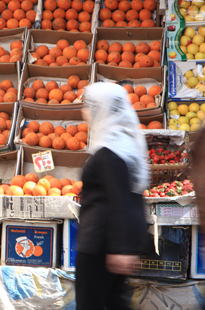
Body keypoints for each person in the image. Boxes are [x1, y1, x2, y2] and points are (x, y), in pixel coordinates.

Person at [75, 82, 149, 310]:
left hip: (99, 244)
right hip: (108, 243)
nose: (84, 111)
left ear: (101, 108)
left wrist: (121, 249)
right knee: (114, 303)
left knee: (92, 304)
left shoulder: (109, 150)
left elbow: (120, 199)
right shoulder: (125, 143)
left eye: (89, 105)